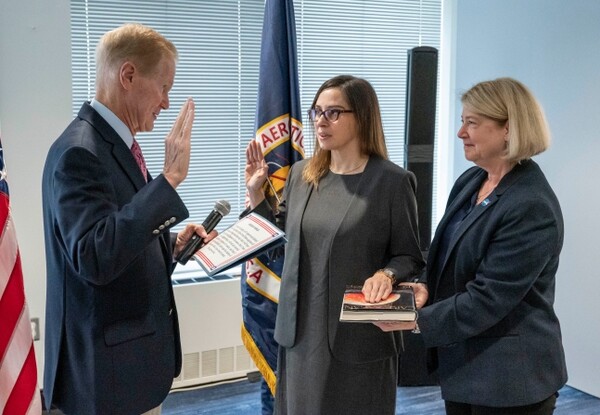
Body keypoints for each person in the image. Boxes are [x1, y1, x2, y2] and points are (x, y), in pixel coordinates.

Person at [42, 23, 216, 415]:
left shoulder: (115, 144)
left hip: (126, 373)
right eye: (164, 87)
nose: (166, 103)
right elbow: (94, 256)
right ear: (128, 75)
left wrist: (169, 244)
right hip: (105, 381)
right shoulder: (80, 152)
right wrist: (169, 181)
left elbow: (116, 232)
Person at [376, 77, 568, 415]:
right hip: (465, 367)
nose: (460, 132)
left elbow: (489, 298)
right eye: (462, 121)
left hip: (510, 380)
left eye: (472, 123)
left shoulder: (530, 204)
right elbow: (448, 258)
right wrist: (423, 288)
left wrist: (414, 319)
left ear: (508, 129)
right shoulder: (472, 180)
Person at [244, 75, 425, 414]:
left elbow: (410, 255)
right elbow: (279, 238)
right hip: (300, 334)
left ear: (363, 118)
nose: (320, 121)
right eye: (317, 112)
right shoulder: (301, 175)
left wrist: (386, 274)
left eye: (333, 112)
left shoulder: (392, 182)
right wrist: (257, 194)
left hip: (357, 334)